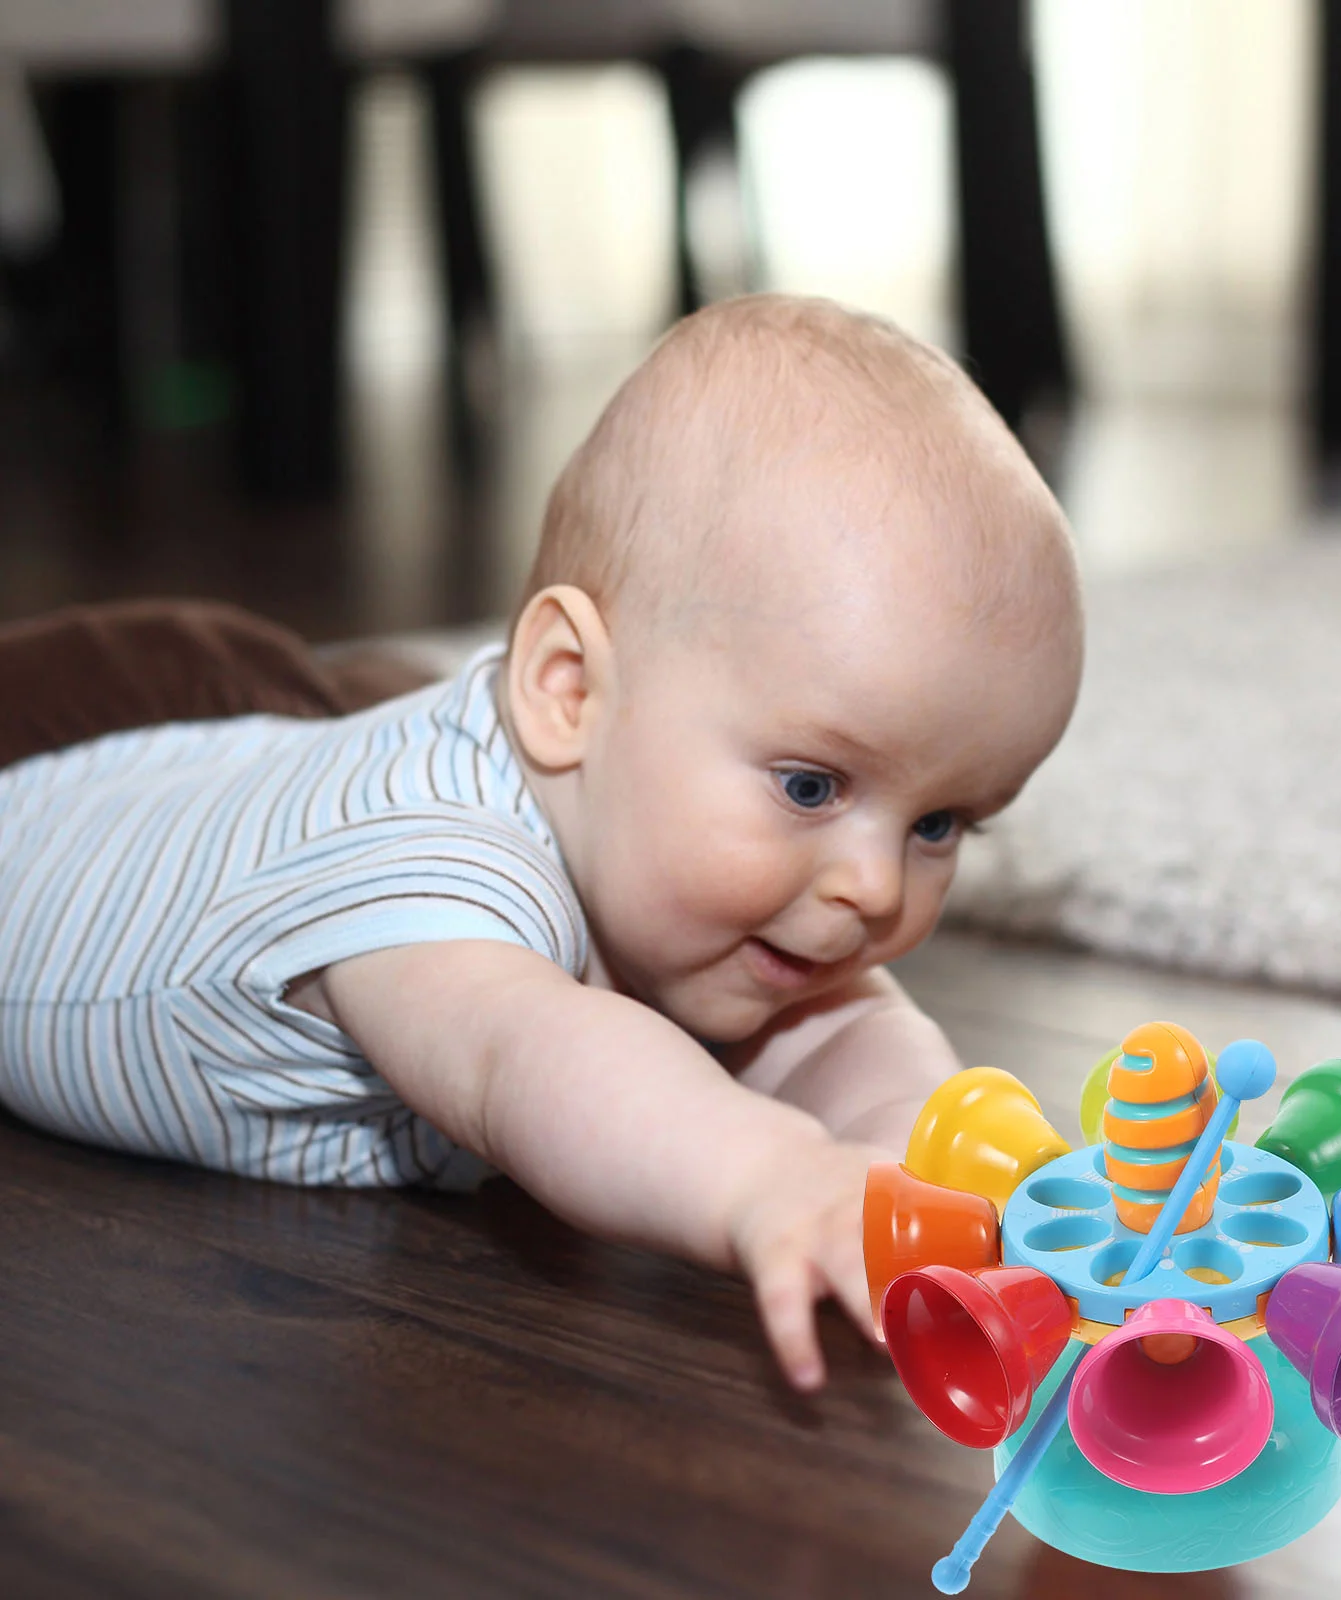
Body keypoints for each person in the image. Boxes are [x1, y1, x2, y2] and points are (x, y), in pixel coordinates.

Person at [0, 295, 1083, 1390]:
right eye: (810, 785)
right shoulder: (430, 866)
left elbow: (844, 1034)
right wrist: (774, 1177)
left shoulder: (701, 850)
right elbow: (526, 1059)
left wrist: (916, 1173)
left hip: (246, 770)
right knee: (160, 677)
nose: (873, 885)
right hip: (51, 858)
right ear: (565, 689)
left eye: (939, 822)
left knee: (302, 699)